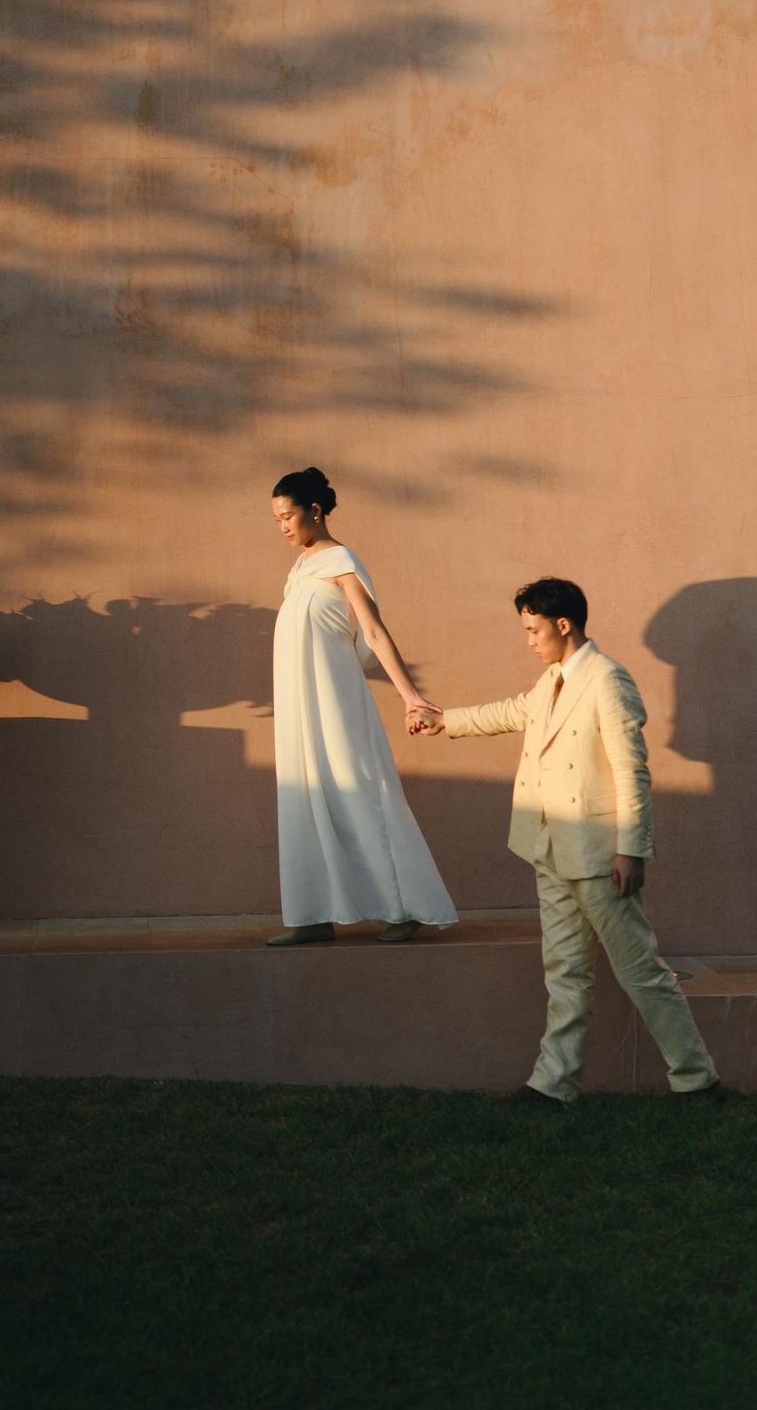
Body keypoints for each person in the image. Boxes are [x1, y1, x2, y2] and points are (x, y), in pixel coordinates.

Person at [410, 577, 723, 1104]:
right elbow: (512, 711)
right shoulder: (551, 680)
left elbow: (632, 771)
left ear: (563, 624)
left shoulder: (607, 679)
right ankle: (554, 1083)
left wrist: (631, 849)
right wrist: (446, 721)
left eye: (533, 630)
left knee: (641, 971)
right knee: (564, 971)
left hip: (600, 855)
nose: (528, 640)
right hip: (549, 847)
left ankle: (697, 1079)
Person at [268, 467, 457, 946]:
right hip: (300, 710)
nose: (284, 526)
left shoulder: (340, 559)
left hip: (337, 707)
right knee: (302, 797)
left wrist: (410, 696)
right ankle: (313, 914)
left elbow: (373, 631)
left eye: (289, 516)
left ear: (315, 510)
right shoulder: (299, 572)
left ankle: (400, 909)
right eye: (277, 519)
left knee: (357, 793)